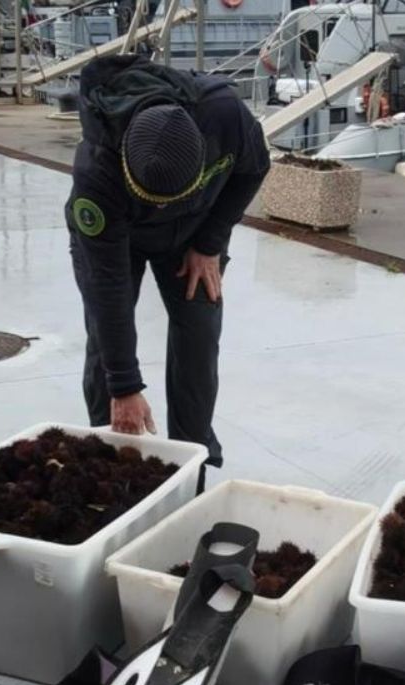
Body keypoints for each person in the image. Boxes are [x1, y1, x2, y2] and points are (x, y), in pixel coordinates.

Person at [67, 55, 270, 466]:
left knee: (199, 331)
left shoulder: (225, 116)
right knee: (106, 342)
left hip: (195, 235)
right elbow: (107, 288)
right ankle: (109, 449)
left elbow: (253, 169)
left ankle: (192, 455)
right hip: (120, 240)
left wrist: (210, 243)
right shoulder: (97, 175)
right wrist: (125, 386)